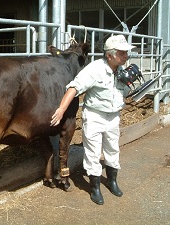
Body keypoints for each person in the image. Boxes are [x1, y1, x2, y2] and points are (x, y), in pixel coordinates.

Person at [50, 35, 135, 205]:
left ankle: (112, 181)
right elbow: (74, 87)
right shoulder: (94, 69)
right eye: (122, 53)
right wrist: (61, 109)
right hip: (95, 116)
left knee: (112, 148)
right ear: (109, 55)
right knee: (93, 152)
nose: (126, 56)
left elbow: (121, 93)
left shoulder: (120, 69)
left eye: (126, 53)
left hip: (113, 116)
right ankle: (95, 187)